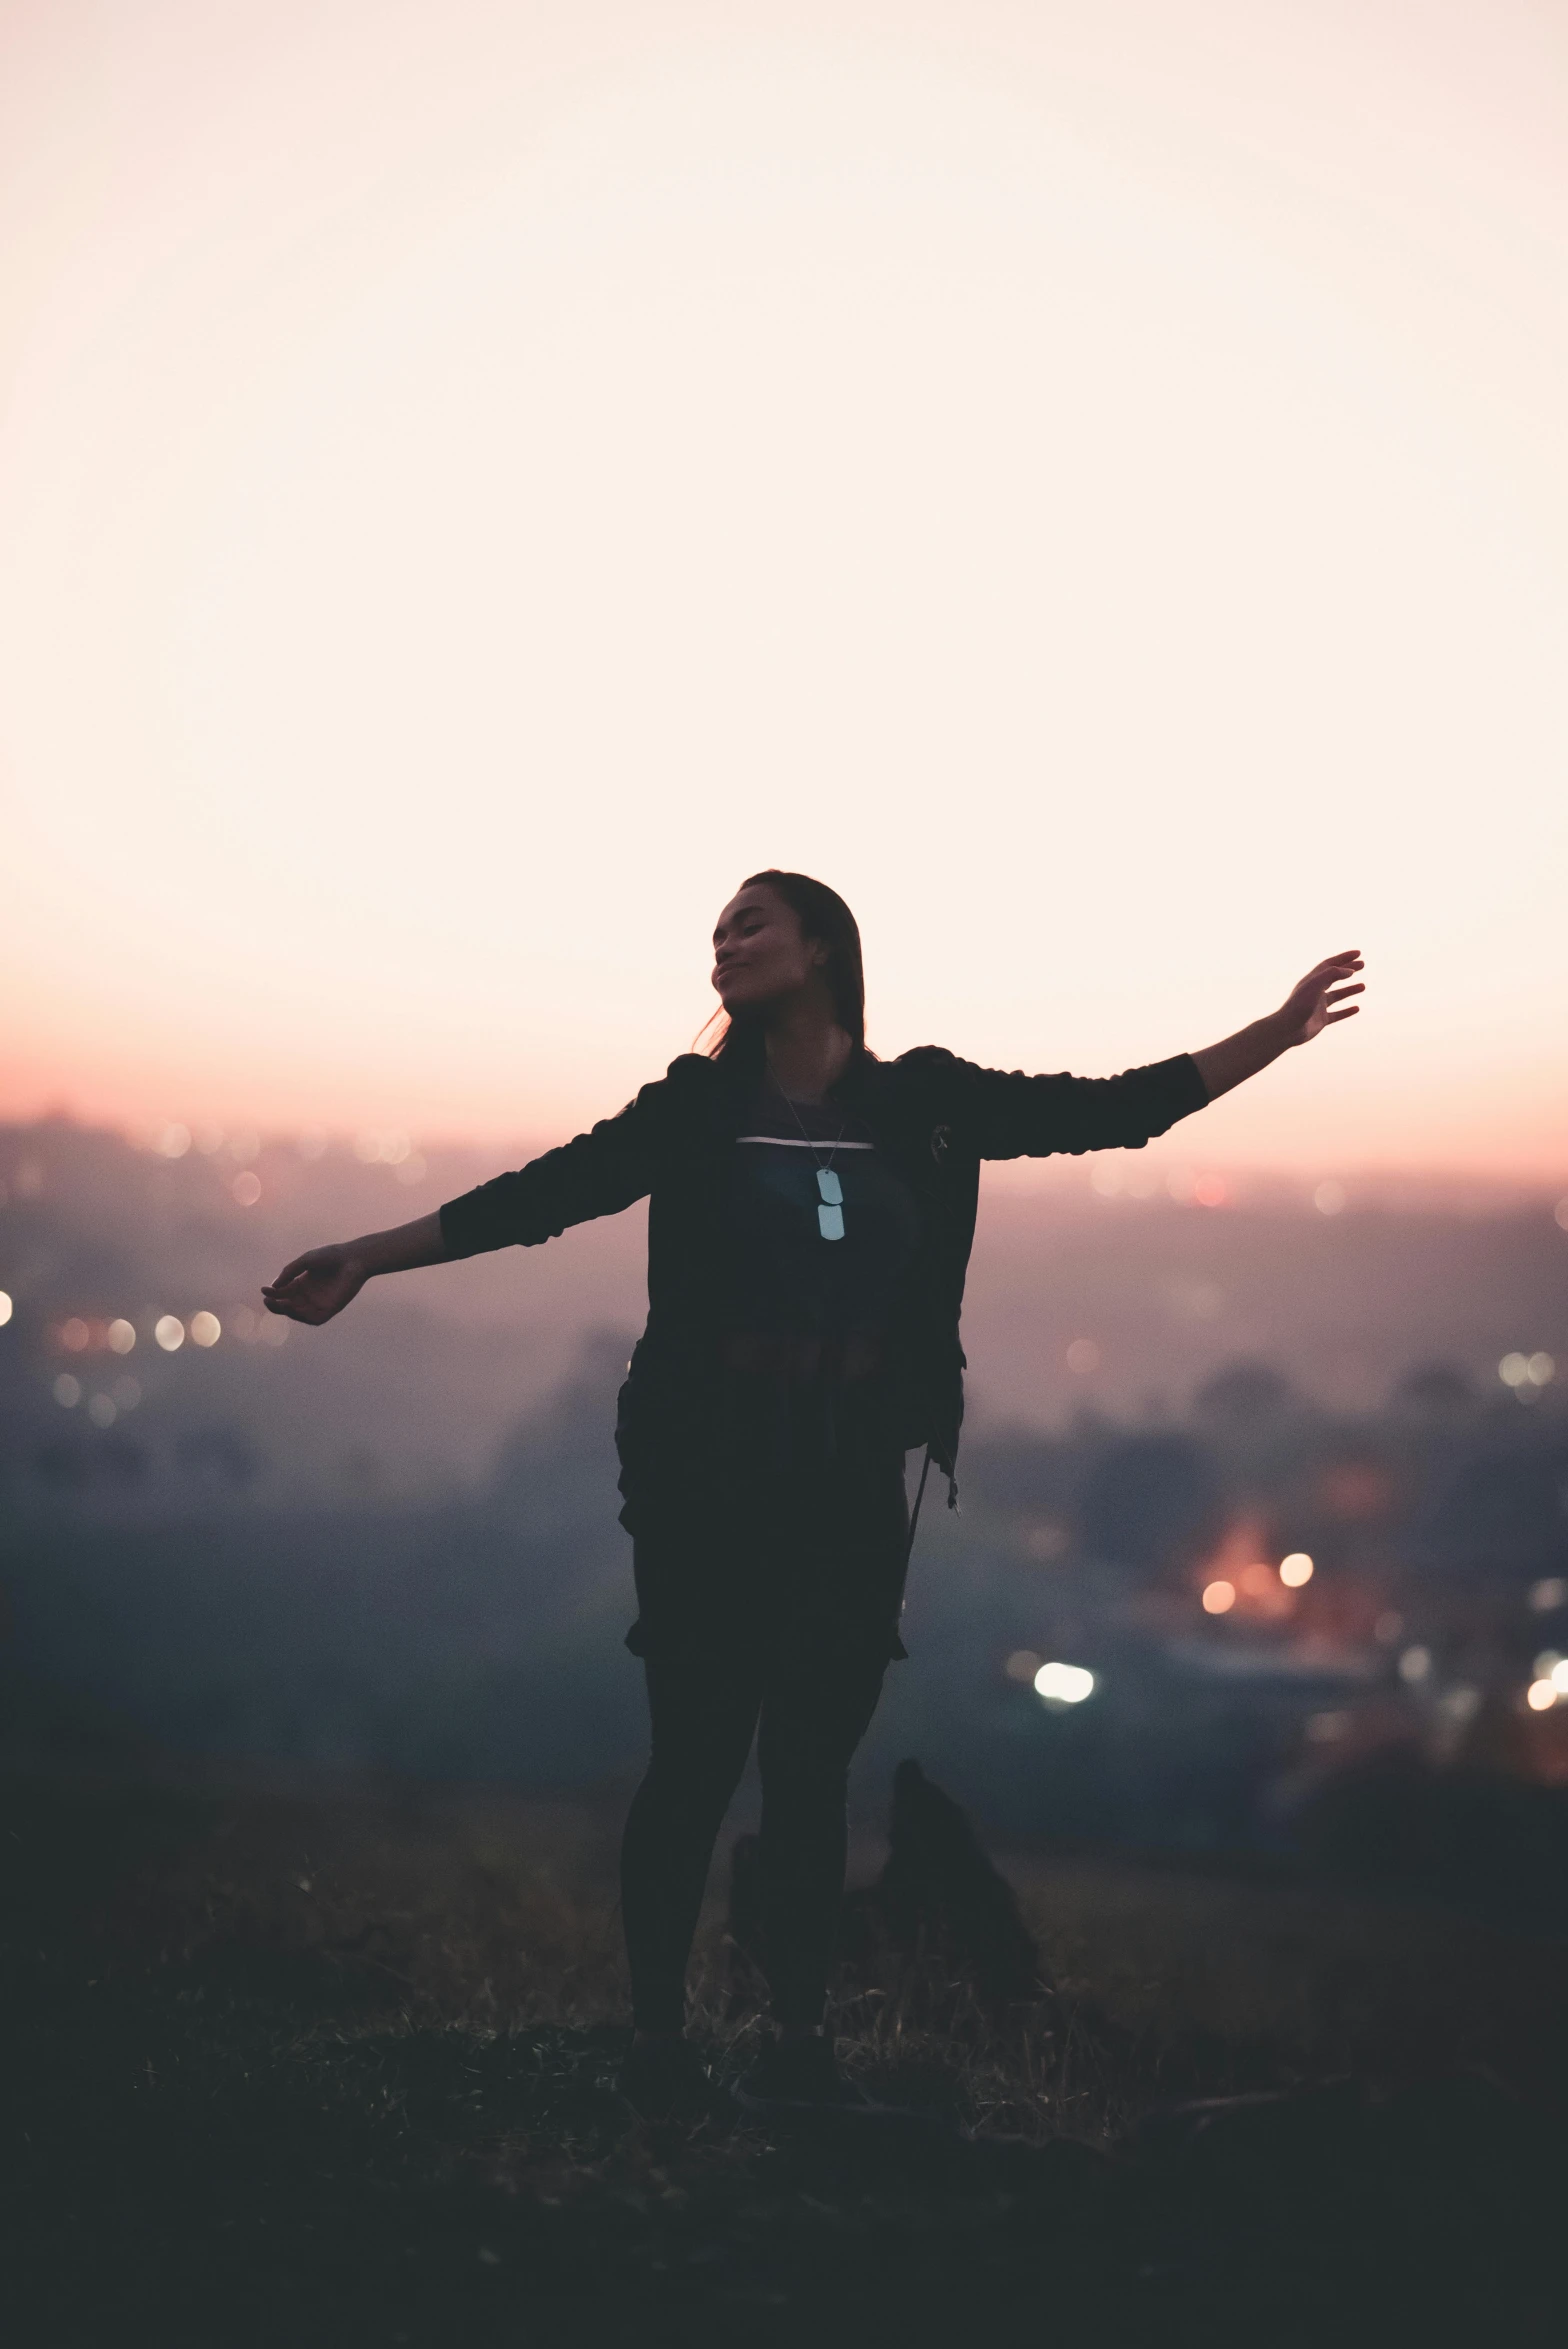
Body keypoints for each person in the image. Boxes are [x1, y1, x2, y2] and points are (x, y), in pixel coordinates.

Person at [262, 871, 1364, 2118]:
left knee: (808, 1766)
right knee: (693, 1758)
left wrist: (1273, 1034)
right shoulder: (694, 1107)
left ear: (822, 947)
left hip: (847, 1467)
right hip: (705, 1465)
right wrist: (369, 1256)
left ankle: (795, 2046)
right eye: (716, 932)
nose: (723, 945)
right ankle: (656, 2042)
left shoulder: (926, 1104)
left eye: (749, 923)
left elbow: (1113, 1114)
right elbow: (544, 1195)